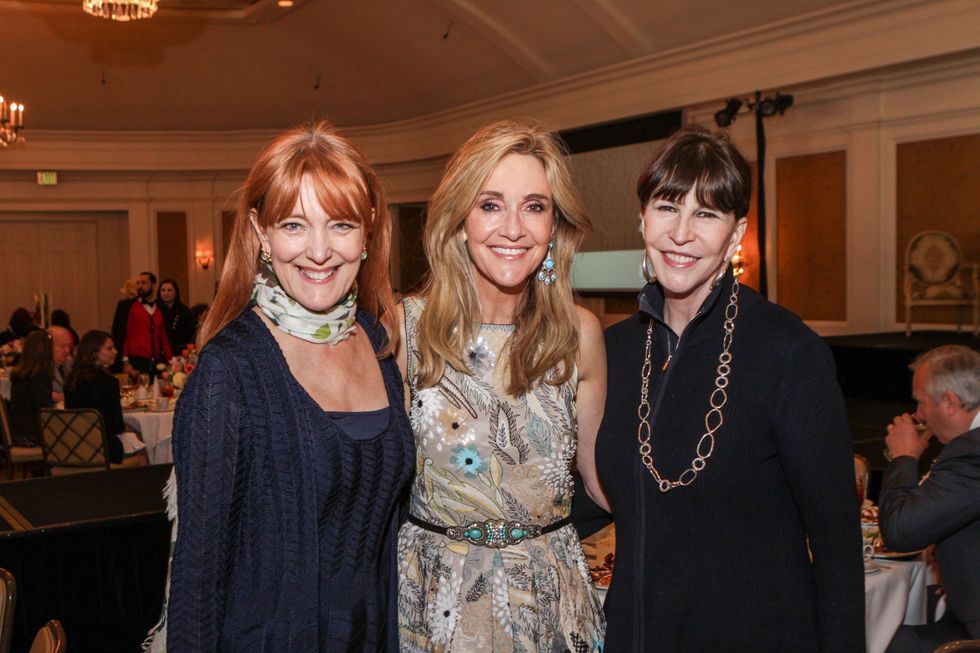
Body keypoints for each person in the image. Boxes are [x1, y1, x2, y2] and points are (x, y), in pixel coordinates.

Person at [573, 125, 865, 651]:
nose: (681, 233)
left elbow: (836, 539)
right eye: (667, 207)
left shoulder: (788, 352)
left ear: (736, 232)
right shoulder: (611, 351)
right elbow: (593, 496)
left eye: (706, 214)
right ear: (642, 219)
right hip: (637, 635)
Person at [165, 121, 412, 652]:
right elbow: (196, 584)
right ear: (260, 233)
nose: (319, 251)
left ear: (368, 231)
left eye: (341, 224)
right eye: (295, 225)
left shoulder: (377, 341)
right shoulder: (230, 371)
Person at [396, 119, 606, 652]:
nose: (513, 228)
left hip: (552, 605)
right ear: (460, 220)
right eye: (490, 204)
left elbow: (602, 482)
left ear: (554, 225)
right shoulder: (407, 330)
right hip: (436, 606)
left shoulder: (579, 334)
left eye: (534, 206)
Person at [881, 345, 980, 652]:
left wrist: (903, 457)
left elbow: (901, 531)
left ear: (950, 402)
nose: (918, 415)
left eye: (921, 403)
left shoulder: (973, 452)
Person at [64, 330, 147, 467]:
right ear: (95, 353)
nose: (115, 351)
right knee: (141, 447)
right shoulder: (109, 382)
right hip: (103, 447)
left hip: (73, 446)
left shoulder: (71, 379)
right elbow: (117, 426)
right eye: (109, 348)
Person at [111, 271, 173, 378]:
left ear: (153, 285)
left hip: (157, 362)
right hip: (135, 361)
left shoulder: (161, 308)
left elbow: (164, 337)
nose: (140, 286)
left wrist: (171, 361)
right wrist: (125, 361)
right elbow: (123, 334)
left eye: (144, 283)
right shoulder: (127, 306)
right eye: (138, 283)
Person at [8, 331, 55, 447]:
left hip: (18, 432)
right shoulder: (40, 376)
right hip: (32, 436)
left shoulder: (20, 375)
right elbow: (43, 410)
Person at [157, 279, 196, 352]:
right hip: (159, 352)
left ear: (176, 293)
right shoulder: (155, 310)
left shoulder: (184, 311)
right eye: (163, 290)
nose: (166, 293)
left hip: (180, 351)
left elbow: (190, 333)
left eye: (169, 290)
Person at [48, 325, 73, 402]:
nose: (67, 350)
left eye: (69, 346)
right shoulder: (41, 367)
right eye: (62, 346)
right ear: (48, 346)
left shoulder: (70, 365)